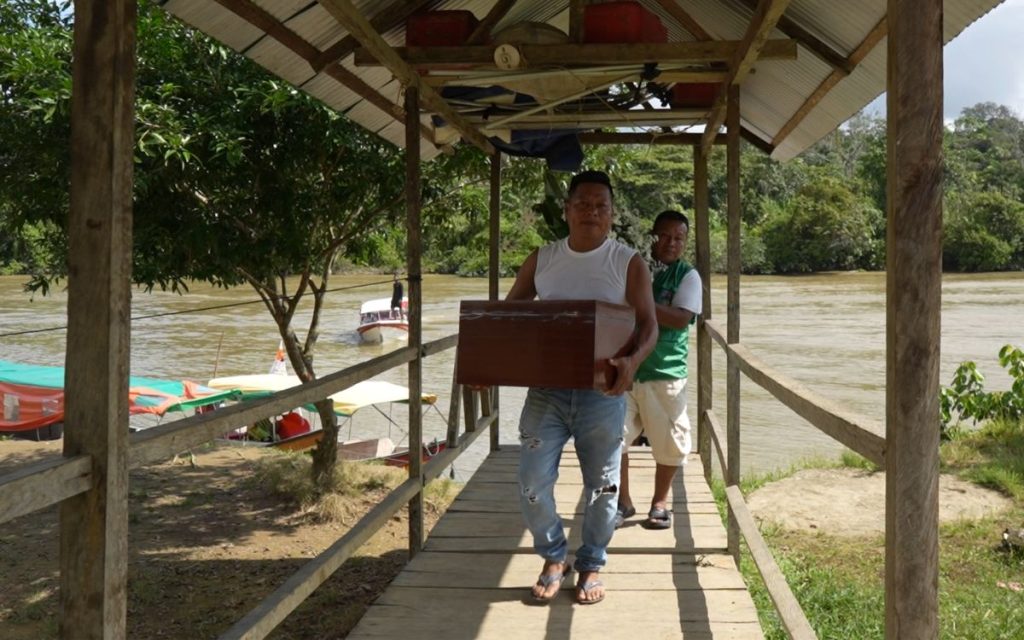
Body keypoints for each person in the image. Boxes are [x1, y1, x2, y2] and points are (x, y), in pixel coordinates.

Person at [505, 170, 658, 605]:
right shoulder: (543, 259)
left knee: (604, 485)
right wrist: (485, 361)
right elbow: (508, 316)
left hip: (604, 392)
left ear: (612, 215)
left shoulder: (627, 262)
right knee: (532, 480)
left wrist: (633, 361)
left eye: (601, 206)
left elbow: (648, 326)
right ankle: (554, 555)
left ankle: (591, 561)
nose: (592, 212)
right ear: (567, 210)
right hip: (545, 391)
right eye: (583, 204)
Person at [616, 210, 702, 530]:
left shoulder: (687, 276)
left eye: (679, 238)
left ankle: (660, 502)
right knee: (613, 438)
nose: (671, 243)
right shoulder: (631, 266)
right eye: (665, 236)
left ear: (685, 242)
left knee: (669, 443)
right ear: (652, 236)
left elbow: (680, 318)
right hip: (623, 367)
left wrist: (638, 303)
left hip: (664, 370)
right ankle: (622, 501)